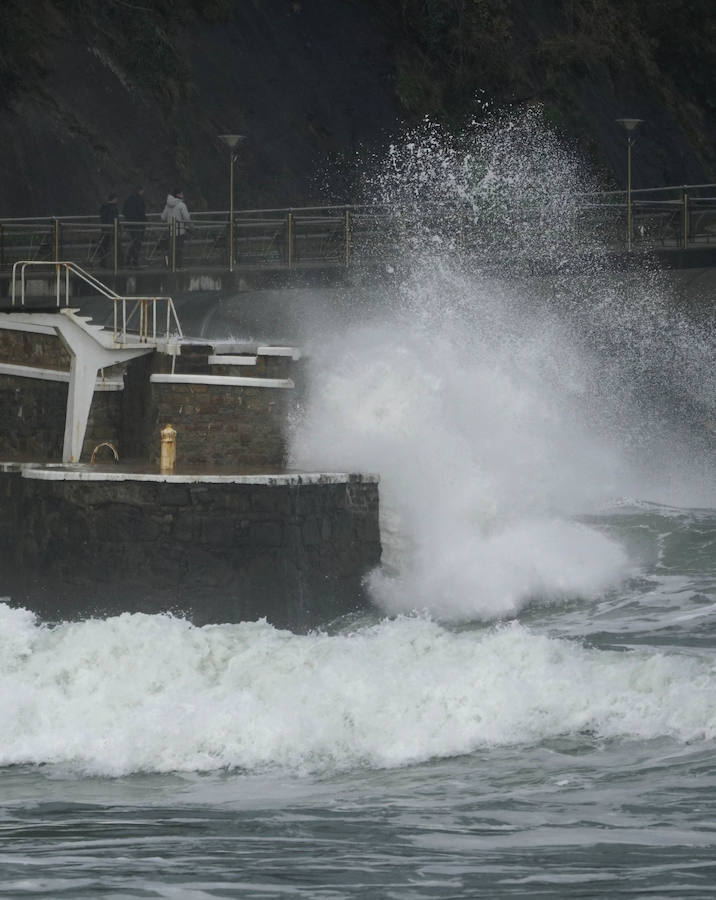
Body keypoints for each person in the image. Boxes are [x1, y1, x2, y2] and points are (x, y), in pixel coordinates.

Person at [160, 189, 191, 268]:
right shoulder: (181, 205)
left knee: (171, 250)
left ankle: (170, 266)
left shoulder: (168, 205)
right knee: (179, 250)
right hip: (180, 231)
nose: (183, 195)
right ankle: (178, 267)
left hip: (171, 231)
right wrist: (189, 225)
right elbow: (186, 217)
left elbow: (163, 217)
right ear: (178, 195)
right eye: (182, 194)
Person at [122, 186, 146, 268]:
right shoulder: (139, 199)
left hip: (130, 223)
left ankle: (128, 260)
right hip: (138, 224)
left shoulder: (128, 199)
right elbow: (141, 212)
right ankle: (134, 261)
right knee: (137, 243)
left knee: (134, 241)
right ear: (140, 190)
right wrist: (145, 221)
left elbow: (123, 211)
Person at [98, 192, 119, 268]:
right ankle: (115, 263)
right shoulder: (112, 208)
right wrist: (115, 227)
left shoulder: (104, 207)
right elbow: (113, 219)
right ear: (114, 199)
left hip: (105, 228)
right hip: (111, 229)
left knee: (104, 246)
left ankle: (103, 263)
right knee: (114, 246)